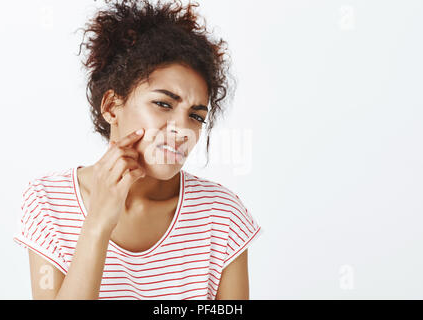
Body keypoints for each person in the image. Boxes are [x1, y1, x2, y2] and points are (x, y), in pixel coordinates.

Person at [13, 0, 262, 300]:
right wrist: (97, 224)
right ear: (111, 107)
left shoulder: (222, 216)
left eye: (196, 116)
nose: (181, 129)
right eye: (163, 104)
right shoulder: (48, 203)